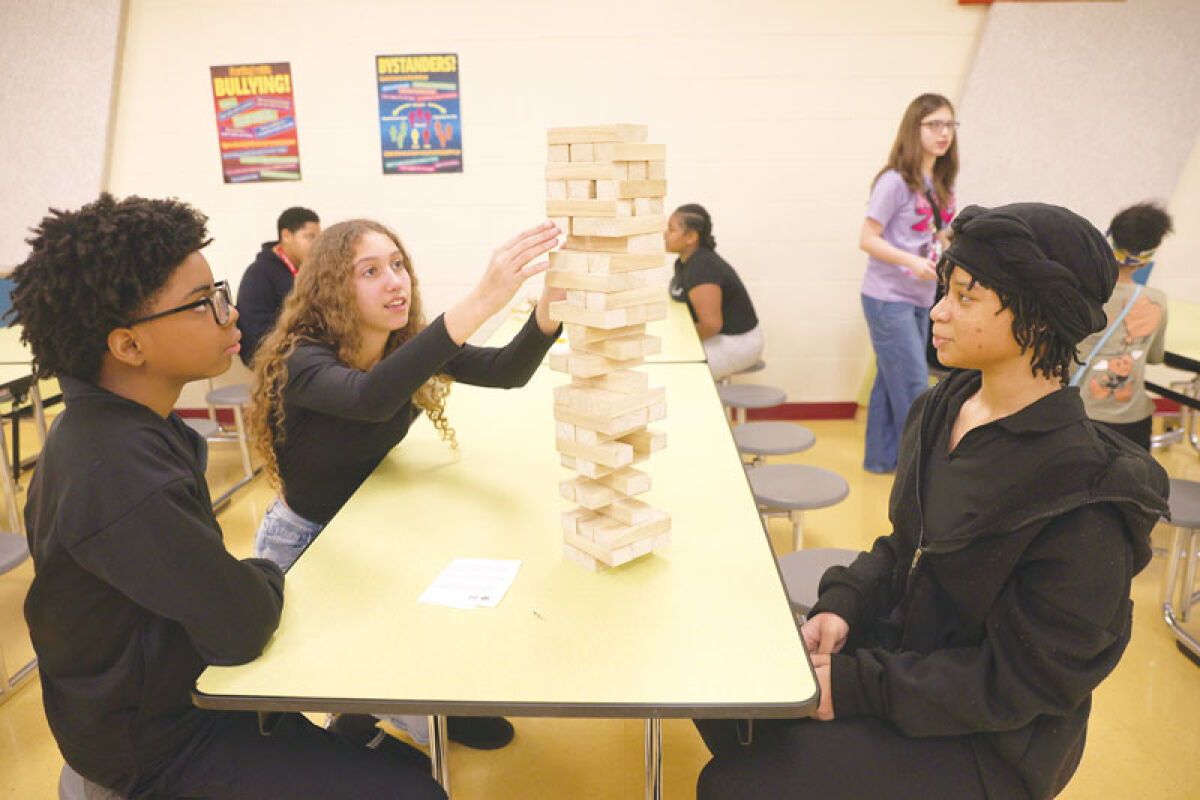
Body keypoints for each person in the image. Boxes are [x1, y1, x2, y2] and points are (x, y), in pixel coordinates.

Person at [694, 203, 1169, 800]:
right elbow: (904, 546)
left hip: (992, 742)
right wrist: (844, 604)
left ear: (1039, 318)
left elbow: (1020, 682)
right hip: (906, 661)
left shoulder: (1085, 494)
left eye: (966, 297)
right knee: (724, 695)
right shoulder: (944, 407)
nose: (937, 311)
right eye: (946, 289)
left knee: (735, 784)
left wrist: (858, 686)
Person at [13, 194, 444, 799]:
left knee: (403, 768)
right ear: (128, 347)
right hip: (159, 745)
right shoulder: (120, 472)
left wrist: (243, 582)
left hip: (183, 690)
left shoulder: (134, 429)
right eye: (205, 304)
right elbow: (240, 624)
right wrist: (264, 569)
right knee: (420, 794)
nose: (230, 312)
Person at [247, 217, 563, 752]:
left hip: (369, 518)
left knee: (414, 632)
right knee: (366, 656)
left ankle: (423, 709)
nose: (395, 281)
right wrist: (484, 298)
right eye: (370, 271)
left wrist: (547, 312)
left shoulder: (403, 345)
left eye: (398, 265)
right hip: (307, 542)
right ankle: (362, 717)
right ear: (332, 289)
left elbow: (508, 370)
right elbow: (369, 399)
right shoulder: (301, 358)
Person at [859, 93, 959, 473]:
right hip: (888, 299)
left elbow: (940, 233)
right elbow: (867, 238)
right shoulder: (895, 182)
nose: (943, 133)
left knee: (890, 381)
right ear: (913, 129)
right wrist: (911, 261)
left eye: (949, 124)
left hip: (921, 297)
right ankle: (923, 474)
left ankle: (882, 460)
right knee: (916, 387)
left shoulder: (940, 180)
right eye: (934, 124)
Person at [1072, 202, 1174, 449]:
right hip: (1131, 420)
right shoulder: (1156, 301)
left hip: (1077, 412)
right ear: (1146, 258)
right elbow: (1155, 356)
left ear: (1109, 242)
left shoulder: (1082, 292)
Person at [665, 204, 763, 380]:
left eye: (671, 230)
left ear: (691, 237)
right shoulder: (684, 262)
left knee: (677, 370)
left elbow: (711, 326)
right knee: (667, 353)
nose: (665, 235)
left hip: (739, 342)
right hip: (719, 335)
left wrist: (677, 340)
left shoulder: (702, 268)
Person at [236, 206, 320, 364]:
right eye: (310, 237)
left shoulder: (305, 270)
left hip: (299, 349)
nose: (316, 245)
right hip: (270, 358)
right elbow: (256, 338)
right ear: (287, 236)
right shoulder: (259, 274)